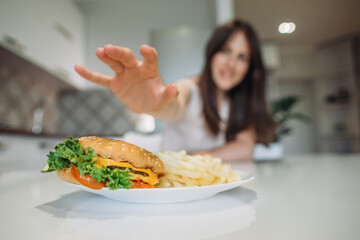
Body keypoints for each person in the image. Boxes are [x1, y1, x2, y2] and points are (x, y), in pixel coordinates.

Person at [74, 19, 276, 162]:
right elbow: (175, 104)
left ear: (250, 67)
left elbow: (244, 149)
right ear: (211, 52)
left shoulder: (239, 102)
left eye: (242, 57)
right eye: (225, 51)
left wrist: (190, 158)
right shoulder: (190, 88)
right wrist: (154, 105)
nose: (231, 64)